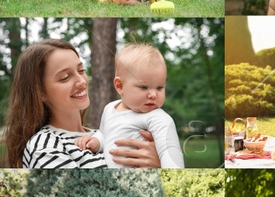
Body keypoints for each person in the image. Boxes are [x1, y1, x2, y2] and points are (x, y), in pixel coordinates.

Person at [3, 40, 162, 169]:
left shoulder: (104, 134)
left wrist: (159, 161)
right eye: (65, 77)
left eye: (81, 70)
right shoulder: (45, 145)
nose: (81, 81)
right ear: (41, 92)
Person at [76, 44, 184, 168]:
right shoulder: (110, 109)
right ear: (120, 86)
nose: (153, 94)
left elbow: (170, 153)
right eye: (144, 87)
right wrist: (96, 141)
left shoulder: (157, 118)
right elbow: (105, 133)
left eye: (159, 87)